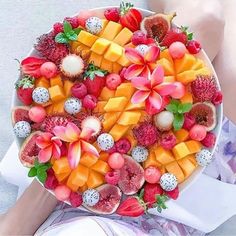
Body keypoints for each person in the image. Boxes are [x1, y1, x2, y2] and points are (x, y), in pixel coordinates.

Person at [1, 0, 236, 235]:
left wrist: (63, 174)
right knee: (228, 62)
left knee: (206, 16)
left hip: (75, 179)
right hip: (180, 190)